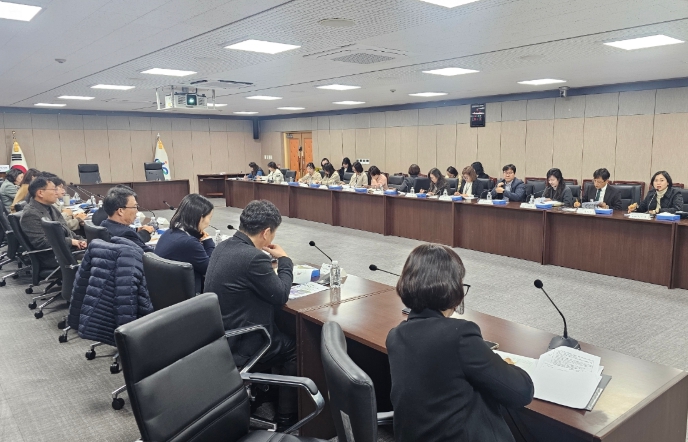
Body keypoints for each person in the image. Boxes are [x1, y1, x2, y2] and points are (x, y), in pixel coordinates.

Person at [387, 244, 534, 442]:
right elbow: (521, 392)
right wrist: (506, 365)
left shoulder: (395, 335)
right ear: (452, 289)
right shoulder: (460, 335)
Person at [204, 200, 296, 430]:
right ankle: (286, 418)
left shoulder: (223, 246)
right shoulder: (254, 258)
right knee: (293, 348)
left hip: (219, 335)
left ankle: (264, 393)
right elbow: (281, 295)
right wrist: (285, 261)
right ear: (266, 233)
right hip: (244, 341)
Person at [20, 175, 87, 268]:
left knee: (99, 248)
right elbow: (41, 243)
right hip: (54, 257)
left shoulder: (50, 207)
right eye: (54, 189)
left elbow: (66, 230)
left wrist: (80, 240)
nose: (57, 193)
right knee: (99, 258)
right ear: (40, 193)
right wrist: (71, 241)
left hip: (66, 250)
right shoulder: (30, 214)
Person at [155, 194, 215, 293]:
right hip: (185, 295)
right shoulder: (188, 242)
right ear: (201, 218)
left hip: (165, 291)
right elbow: (211, 269)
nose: (209, 222)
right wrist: (208, 241)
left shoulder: (169, 232)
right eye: (210, 217)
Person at [100, 186, 155, 253]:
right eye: (135, 207)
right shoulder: (126, 234)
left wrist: (136, 230)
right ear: (120, 211)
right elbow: (152, 256)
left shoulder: (104, 224)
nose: (137, 211)